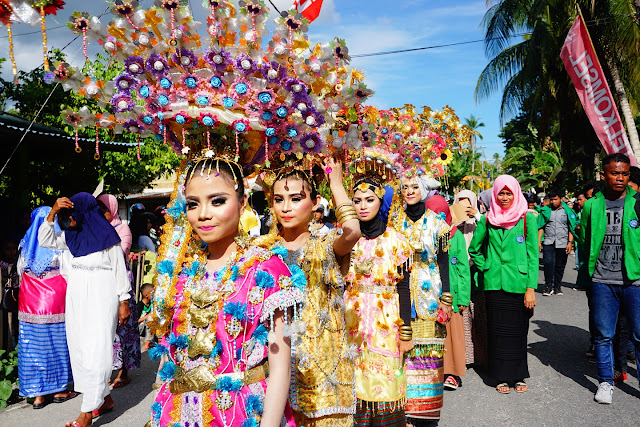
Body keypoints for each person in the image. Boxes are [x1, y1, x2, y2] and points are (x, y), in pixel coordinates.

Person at [148, 158, 302, 427]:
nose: (203, 214)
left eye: (217, 201)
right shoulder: (181, 273)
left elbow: (280, 368)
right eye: (193, 204)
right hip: (178, 413)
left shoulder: (267, 268)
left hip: (241, 414)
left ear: (242, 202)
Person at [258, 157, 360, 426]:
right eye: (279, 199)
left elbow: (352, 231)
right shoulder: (259, 251)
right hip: (271, 367)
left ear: (315, 203)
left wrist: (336, 184)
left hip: (322, 372)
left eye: (295, 198)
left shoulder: (325, 245)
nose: (286, 207)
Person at [39, 192, 131, 427]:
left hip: (103, 292)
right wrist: (52, 212)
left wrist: (124, 301)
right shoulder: (71, 235)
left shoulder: (107, 236)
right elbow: (44, 240)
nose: (70, 219)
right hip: (77, 293)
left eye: (73, 213)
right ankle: (105, 399)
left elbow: (119, 269)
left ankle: (87, 411)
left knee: (97, 349)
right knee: (79, 346)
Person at [345, 176, 413, 426]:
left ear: (380, 202)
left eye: (369, 200)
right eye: (357, 201)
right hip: (351, 318)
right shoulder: (346, 241)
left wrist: (406, 331)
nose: (363, 206)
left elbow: (404, 288)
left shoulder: (397, 241)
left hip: (386, 320)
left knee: (385, 379)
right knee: (353, 375)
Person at [577, 153, 640, 404]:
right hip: (602, 280)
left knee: (638, 334)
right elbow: (585, 241)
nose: (621, 178)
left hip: (634, 281)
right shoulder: (592, 206)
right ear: (603, 175)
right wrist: (588, 276)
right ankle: (605, 381)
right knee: (603, 334)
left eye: (625, 173)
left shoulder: (638, 201)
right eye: (615, 173)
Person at [468, 175, 538, 394]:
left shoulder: (527, 218)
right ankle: (499, 376)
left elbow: (533, 255)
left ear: (516, 193)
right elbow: (474, 249)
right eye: (501, 193)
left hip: (519, 284)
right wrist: (487, 266)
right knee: (496, 331)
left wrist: (530, 288)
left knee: (518, 331)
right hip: (494, 285)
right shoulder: (488, 218)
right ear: (494, 195)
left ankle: (517, 375)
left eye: (509, 193)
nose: (505, 197)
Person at [390, 178, 451, 424]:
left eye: (415, 187)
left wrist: (446, 298)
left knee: (429, 354)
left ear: (424, 190)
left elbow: (445, 262)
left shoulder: (439, 223)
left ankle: (427, 413)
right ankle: (402, 411)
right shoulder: (393, 224)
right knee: (403, 354)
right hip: (400, 295)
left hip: (431, 293)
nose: (410, 192)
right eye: (405, 187)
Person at [17, 207, 76, 409]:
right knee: (57, 344)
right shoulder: (58, 242)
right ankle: (59, 389)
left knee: (32, 346)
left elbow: (19, 270)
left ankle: (38, 395)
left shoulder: (25, 244)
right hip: (55, 300)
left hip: (29, 303)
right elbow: (68, 271)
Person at [425, 196, 471, 392]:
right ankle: (430, 372)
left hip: (451, 294)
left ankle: (451, 373)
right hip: (427, 294)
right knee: (430, 334)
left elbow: (463, 268)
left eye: (441, 215)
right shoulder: (422, 234)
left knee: (452, 335)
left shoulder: (456, 235)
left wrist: (463, 298)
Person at [97, 194, 140, 391]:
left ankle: (124, 371)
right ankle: (109, 369)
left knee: (124, 329)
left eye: (104, 209)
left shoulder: (123, 228)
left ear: (112, 210)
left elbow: (121, 252)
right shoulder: (95, 228)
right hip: (103, 283)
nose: (101, 213)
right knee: (107, 329)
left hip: (121, 283)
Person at [454, 190, 488, 368]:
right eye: (460, 202)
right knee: (463, 317)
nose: (464, 207)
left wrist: (478, 217)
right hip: (459, 274)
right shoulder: (452, 225)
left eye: (467, 203)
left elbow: (489, 236)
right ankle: (467, 357)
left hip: (477, 274)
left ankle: (482, 356)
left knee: (479, 314)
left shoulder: (479, 222)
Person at [538, 189, 578, 296]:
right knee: (548, 263)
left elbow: (571, 227)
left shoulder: (567, 211)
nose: (553, 202)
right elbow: (541, 226)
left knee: (560, 265)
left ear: (561, 199)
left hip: (563, 242)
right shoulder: (545, 211)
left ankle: (557, 286)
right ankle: (548, 286)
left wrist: (570, 242)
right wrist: (538, 241)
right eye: (551, 200)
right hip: (548, 242)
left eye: (555, 199)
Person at [137, 282, 154, 350]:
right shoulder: (139, 305)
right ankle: (147, 342)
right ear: (146, 295)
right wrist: (147, 316)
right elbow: (136, 321)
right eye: (152, 293)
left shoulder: (151, 304)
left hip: (146, 328)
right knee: (149, 318)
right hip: (140, 328)